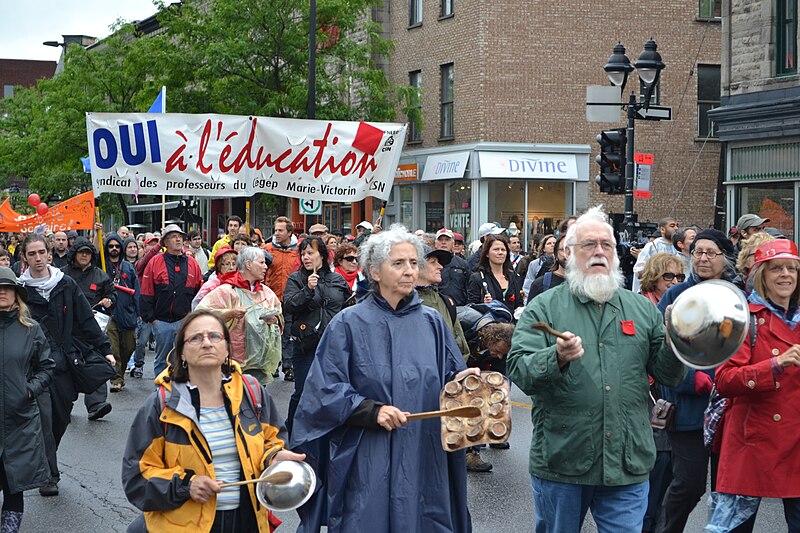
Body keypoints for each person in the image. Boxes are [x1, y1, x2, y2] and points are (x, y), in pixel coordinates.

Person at [507, 206, 686, 533]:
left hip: (626, 461)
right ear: (571, 253)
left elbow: (669, 375)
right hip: (563, 460)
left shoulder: (641, 309)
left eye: (607, 244)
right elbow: (519, 371)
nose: (599, 251)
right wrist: (557, 356)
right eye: (589, 245)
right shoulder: (545, 307)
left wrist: (678, 342)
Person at [290, 227, 474, 533]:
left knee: (424, 517)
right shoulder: (347, 324)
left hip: (423, 451)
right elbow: (323, 390)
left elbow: (448, 379)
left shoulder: (432, 323)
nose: (409, 271)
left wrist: (461, 382)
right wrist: (370, 410)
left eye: (414, 263)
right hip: (367, 453)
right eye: (399, 263)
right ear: (375, 271)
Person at [121, 310, 305, 532]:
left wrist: (275, 458)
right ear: (181, 353)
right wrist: (186, 486)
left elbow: (272, 443)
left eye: (215, 336)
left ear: (227, 347)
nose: (206, 343)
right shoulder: (162, 404)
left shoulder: (252, 393)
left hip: (246, 522)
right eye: (196, 338)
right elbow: (137, 476)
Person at [705, 239, 800, 532]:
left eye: (792, 268)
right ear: (761, 274)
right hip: (751, 443)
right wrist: (774, 365)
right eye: (776, 269)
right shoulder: (742, 318)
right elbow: (724, 380)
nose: (785, 275)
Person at [19, 234, 114, 497]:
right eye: (31, 254)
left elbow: (85, 318)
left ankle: (49, 459)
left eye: (41, 253)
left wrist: (105, 348)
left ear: (49, 254)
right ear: (24, 258)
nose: (37, 258)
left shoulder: (66, 284)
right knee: (44, 420)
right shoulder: (20, 291)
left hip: (64, 363)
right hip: (33, 368)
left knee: (60, 419)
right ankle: (49, 474)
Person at [656, 229, 737, 533]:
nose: (702, 258)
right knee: (688, 485)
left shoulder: (735, 296)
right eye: (697, 251)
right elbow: (661, 351)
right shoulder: (675, 296)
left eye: (710, 252)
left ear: (724, 258)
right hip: (689, 409)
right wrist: (691, 380)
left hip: (730, 407)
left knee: (726, 487)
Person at [0, 267, 54, 533]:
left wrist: (29, 389)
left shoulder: (31, 329)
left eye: (7, 288)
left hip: (19, 418)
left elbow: (47, 367)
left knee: (14, 485)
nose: (1, 292)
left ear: (16, 294)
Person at [283, 237, 351, 435]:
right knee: (303, 391)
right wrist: (308, 290)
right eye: (303, 254)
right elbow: (289, 304)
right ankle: (293, 431)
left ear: (321, 255)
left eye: (310, 253)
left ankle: (326, 430)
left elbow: (348, 306)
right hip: (307, 344)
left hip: (333, 345)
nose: (306, 257)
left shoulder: (337, 279)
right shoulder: (296, 279)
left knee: (332, 389)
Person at [197, 246, 282, 385]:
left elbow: (279, 315)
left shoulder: (266, 293)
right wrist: (229, 314)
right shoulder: (227, 291)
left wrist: (275, 319)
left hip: (260, 363)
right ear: (248, 265)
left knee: (255, 401)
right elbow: (200, 316)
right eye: (261, 263)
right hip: (232, 362)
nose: (266, 267)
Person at [61, 236, 116, 419]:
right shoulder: (62, 274)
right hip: (68, 330)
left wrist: (110, 301)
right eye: (81, 252)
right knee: (67, 369)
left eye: (88, 253)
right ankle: (64, 404)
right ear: (74, 254)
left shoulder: (101, 275)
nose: (85, 256)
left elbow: (112, 294)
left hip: (93, 329)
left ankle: (96, 404)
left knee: (96, 364)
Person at [139, 224, 203, 379]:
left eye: (180, 237)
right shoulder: (155, 262)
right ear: (165, 242)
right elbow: (146, 292)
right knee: (162, 360)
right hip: (162, 322)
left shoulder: (192, 263)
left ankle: (181, 390)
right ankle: (161, 391)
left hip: (184, 320)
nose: (178, 239)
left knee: (184, 358)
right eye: (174, 237)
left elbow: (199, 292)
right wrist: (152, 319)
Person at [415, 244, 470, 358]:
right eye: (433, 262)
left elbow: (462, 350)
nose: (440, 266)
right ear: (416, 266)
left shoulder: (447, 302)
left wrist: (454, 374)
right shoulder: (401, 303)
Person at [103, 233, 140, 393]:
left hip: (128, 313)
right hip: (110, 314)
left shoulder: (128, 267)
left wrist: (139, 311)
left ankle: (121, 371)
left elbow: (136, 290)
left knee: (129, 346)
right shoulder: (102, 265)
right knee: (114, 348)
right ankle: (116, 379)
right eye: (110, 246)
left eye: (117, 246)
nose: (114, 249)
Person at [467, 234, 523, 311]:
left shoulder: (513, 276)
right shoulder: (478, 278)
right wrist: (483, 305)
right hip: (489, 321)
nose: (500, 253)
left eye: (503, 250)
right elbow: (470, 307)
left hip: (511, 322)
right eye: (496, 249)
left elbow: (519, 303)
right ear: (487, 253)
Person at [632, 217, 681, 293]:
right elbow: (639, 270)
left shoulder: (678, 247)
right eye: (672, 226)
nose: (676, 228)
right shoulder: (651, 246)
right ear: (662, 229)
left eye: (677, 226)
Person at [526, 235, 567, 304]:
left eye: (573, 249)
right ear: (556, 254)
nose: (567, 254)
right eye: (563, 249)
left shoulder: (587, 283)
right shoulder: (541, 284)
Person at [436, 228, 471, 306]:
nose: (443, 242)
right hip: (437, 307)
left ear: (453, 243)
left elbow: (469, 287)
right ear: (435, 243)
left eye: (447, 240)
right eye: (440, 240)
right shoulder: (430, 263)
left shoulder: (462, 263)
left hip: (459, 308)